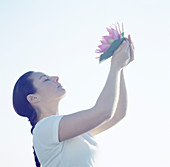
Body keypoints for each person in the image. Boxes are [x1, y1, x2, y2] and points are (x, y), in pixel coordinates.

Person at [12, 35, 134, 167]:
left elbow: (117, 114)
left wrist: (121, 67)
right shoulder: (43, 128)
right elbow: (104, 112)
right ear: (33, 98)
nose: (56, 78)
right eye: (46, 79)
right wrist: (115, 66)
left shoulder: (67, 130)